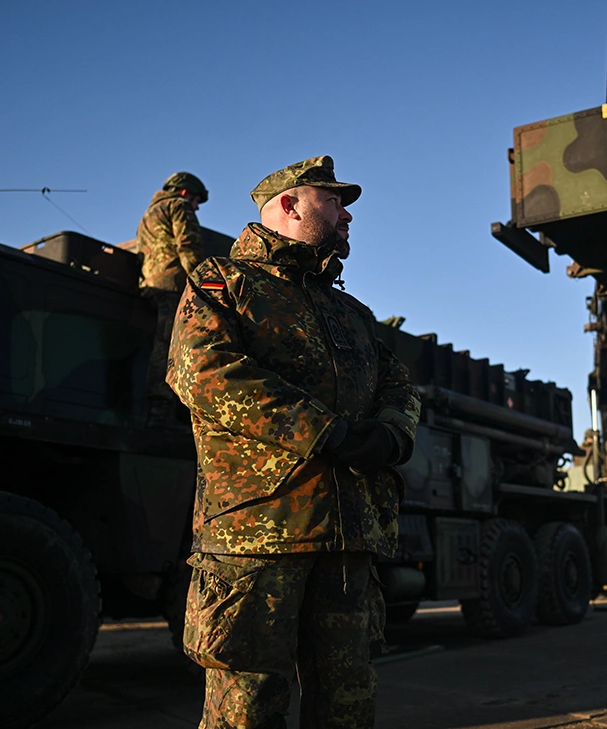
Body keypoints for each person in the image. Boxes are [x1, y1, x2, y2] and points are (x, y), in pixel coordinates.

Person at [166, 155, 420, 729]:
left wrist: (390, 433)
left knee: (348, 703)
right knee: (247, 708)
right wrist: (325, 432)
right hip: (259, 537)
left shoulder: (350, 311)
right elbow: (203, 372)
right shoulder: (223, 284)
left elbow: (398, 382)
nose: (347, 214)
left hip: (348, 538)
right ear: (289, 204)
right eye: (334, 200)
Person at [136, 171, 209, 427]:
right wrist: (203, 286)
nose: (196, 207)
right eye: (197, 201)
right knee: (171, 347)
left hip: (150, 283)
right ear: (186, 192)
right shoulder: (178, 205)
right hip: (172, 285)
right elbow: (188, 246)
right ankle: (161, 409)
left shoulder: (149, 214)